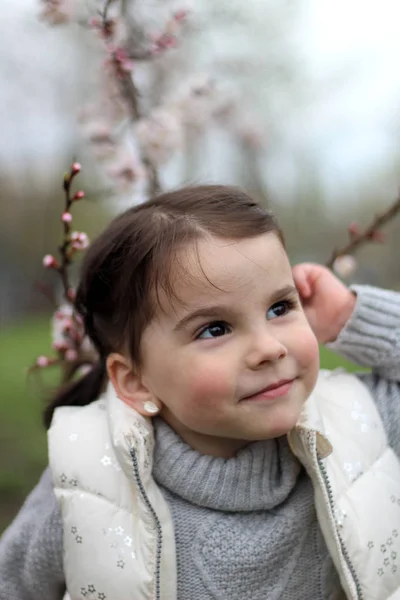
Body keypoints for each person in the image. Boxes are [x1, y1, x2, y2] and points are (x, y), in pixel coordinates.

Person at [1, 184, 400, 600]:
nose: (269, 347)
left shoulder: (358, 427)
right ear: (135, 381)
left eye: (280, 307)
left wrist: (351, 316)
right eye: (215, 329)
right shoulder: (86, 484)